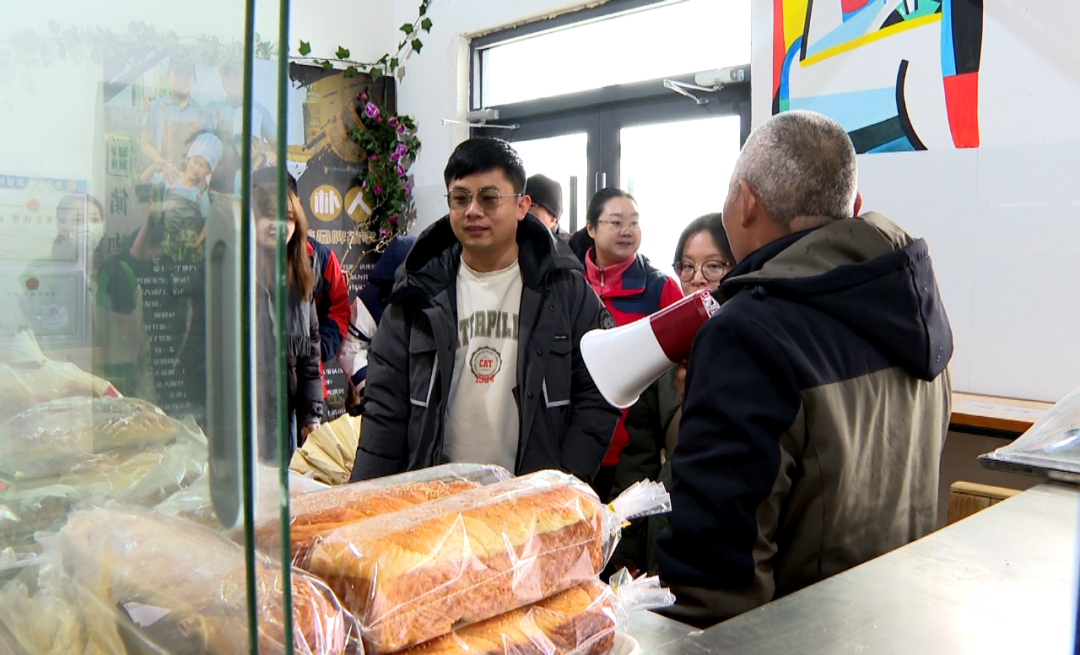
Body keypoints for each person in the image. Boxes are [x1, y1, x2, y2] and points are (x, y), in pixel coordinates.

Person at [654, 110, 953, 627]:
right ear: (852, 207)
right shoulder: (915, 308)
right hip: (892, 626)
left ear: (745, 203)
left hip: (796, 637)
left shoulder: (748, 334)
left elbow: (714, 582)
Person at [349, 137, 620, 483]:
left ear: (522, 206)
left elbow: (599, 388)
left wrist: (565, 480)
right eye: (460, 198)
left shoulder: (564, 288)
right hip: (435, 503)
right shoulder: (417, 290)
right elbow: (385, 411)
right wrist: (363, 506)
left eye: (490, 198)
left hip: (529, 506)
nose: (473, 211)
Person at [606, 213, 733, 577]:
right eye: (687, 266)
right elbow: (637, 461)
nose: (697, 279)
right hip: (661, 537)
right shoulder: (662, 353)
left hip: (718, 540)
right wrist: (623, 551)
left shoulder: (746, 352)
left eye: (713, 266)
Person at [579, 187, 683, 501]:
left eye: (634, 223)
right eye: (616, 222)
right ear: (591, 228)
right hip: (574, 443)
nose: (627, 231)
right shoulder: (569, 283)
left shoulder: (660, 289)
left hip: (634, 449)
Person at [252, 168, 322, 459]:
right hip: (245, 418)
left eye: (288, 217)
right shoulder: (235, 273)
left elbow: (308, 357)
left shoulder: (298, 275)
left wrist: (311, 415)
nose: (279, 225)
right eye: (269, 215)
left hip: (285, 417)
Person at [338, 234, 417, 410]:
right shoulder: (372, 300)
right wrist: (370, 391)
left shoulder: (439, 294)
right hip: (387, 390)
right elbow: (349, 350)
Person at [141, 56, 212, 185]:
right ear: (168, 76)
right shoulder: (155, 107)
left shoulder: (205, 114)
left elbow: (209, 153)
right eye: (178, 74)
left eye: (187, 76)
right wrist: (160, 162)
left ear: (194, 80)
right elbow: (145, 143)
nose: (182, 80)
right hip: (161, 183)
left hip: (192, 186)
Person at [139, 132, 223, 219]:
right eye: (195, 162)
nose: (196, 168)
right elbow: (143, 182)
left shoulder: (201, 196)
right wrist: (153, 167)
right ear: (188, 159)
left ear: (209, 171)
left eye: (202, 166)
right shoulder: (172, 176)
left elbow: (205, 225)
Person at [525, 174, 570, 242]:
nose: (523, 211)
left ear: (553, 217)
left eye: (531, 206)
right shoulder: (513, 242)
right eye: (520, 205)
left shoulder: (571, 248)